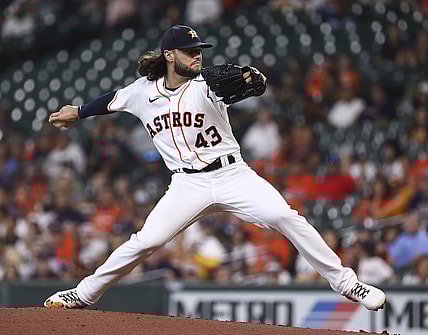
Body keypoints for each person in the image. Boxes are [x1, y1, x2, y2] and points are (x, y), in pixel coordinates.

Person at [44, 24, 386, 311]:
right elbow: (111, 100)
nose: (197, 55)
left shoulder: (208, 86)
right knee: (145, 241)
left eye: (199, 50)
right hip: (185, 186)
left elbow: (255, 84)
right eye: (189, 50)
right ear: (169, 55)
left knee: (286, 217)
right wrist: (79, 111)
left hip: (232, 174)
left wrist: (253, 78)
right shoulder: (141, 92)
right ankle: (84, 293)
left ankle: (347, 283)